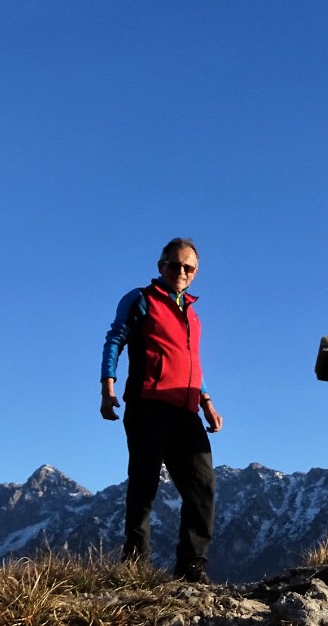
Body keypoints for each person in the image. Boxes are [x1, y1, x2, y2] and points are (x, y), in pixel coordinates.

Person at [100, 238, 223, 583]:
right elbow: (114, 339)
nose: (181, 272)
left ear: (196, 272)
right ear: (161, 266)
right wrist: (107, 387)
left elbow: (189, 364)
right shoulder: (140, 300)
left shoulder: (193, 315)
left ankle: (191, 566)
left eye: (189, 267)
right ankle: (135, 564)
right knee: (144, 483)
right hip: (148, 405)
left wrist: (206, 401)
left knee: (203, 485)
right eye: (175, 265)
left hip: (186, 411)